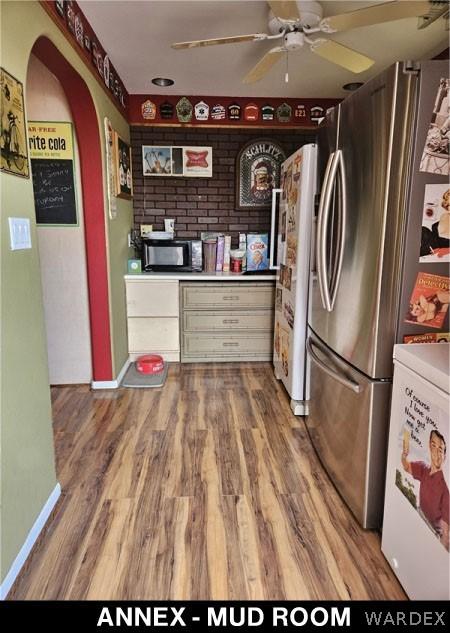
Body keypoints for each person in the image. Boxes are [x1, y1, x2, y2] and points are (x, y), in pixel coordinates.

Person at [402, 429, 449, 551]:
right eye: (434, 446)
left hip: (432, 533)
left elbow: (445, 532)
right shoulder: (423, 469)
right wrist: (404, 455)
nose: (437, 453)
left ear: (444, 456)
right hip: (418, 518)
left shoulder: (445, 490)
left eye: (441, 450)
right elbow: (406, 466)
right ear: (429, 446)